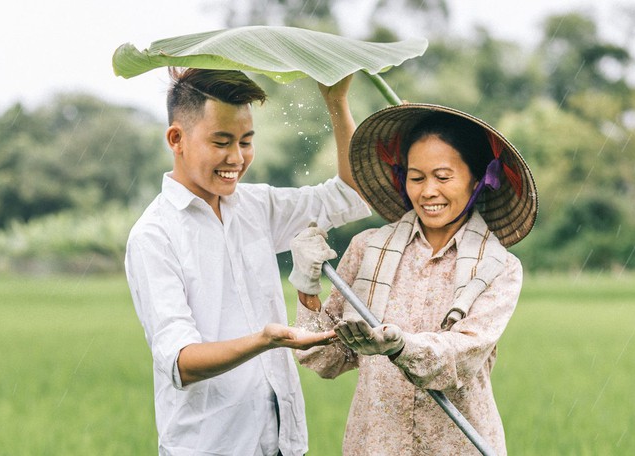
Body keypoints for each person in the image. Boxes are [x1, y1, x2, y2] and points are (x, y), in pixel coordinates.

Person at [124, 67, 370, 456]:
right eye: (221, 142)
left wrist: (336, 102)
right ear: (177, 139)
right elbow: (180, 361)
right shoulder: (154, 236)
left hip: (283, 442)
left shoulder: (256, 206)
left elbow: (352, 195)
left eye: (246, 141)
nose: (236, 158)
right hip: (211, 446)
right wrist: (265, 340)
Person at [290, 103, 538, 455]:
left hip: (457, 445)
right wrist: (307, 286)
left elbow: (463, 356)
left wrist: (401, 346)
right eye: (417, 177)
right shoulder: (367, 249)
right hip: (376, 443)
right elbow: (328, 358)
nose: (428, 192)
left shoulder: (498, 266)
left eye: (443, 176)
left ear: (477, 179)